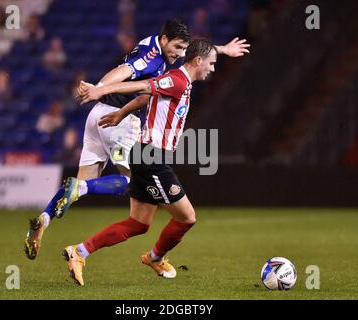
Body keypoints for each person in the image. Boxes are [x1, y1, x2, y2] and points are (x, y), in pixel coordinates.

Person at [23, 18, 250, 260]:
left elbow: (194, 51)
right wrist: (99, 87)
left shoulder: (163, 47)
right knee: (132, 179)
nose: (180, 54)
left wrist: (223, 49)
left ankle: (43, 219)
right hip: (117, 122)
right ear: (164, 41)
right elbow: (126, 73)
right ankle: (83, 199)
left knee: (86, 183)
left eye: (183, 49)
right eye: (177, 48)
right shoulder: (153, 58)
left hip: (98, 117)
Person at [62, 38, 218, 285]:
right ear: (198, 61)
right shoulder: (177, 80)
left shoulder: (179, 80)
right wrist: (103, 89)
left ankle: (79, 252)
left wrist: (121, 113)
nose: (212, 68)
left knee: (139, 223)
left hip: (145, 155)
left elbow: (147, 97)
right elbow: (144, 86)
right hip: (151, 158)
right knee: (187, 217)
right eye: (211, 63)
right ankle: (155, 258)